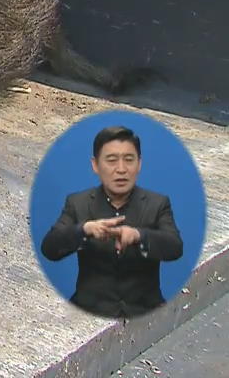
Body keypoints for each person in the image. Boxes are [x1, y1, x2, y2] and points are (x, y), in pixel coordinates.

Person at [40, 125, 184, 318]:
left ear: (139, 164)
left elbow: (175, 247)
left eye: (129, 160)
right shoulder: (78, 203)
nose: (121, 169)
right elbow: (50, 248)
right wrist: (84, 230)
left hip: (146, 312)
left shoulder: (158, 203)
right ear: (95, 165)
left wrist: (138, 236)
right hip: (88, 312)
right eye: (111, 160)